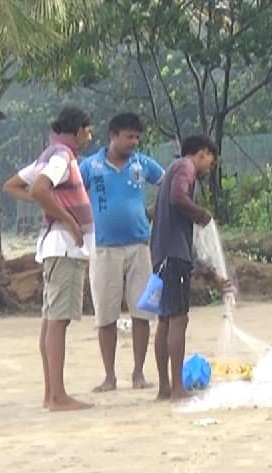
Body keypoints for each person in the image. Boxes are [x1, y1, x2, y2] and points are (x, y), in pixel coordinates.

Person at [3, 106, 96, 412]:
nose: (90, 136)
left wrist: (51, 205)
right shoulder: (62, 156)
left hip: (54, 246)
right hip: (64, 246)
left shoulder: (49, 153)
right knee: (58, 321)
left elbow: (14, 185)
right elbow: (41, 189)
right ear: (77, 130)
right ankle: (58, 395)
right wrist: (66, 218)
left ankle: (51, 393)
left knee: (50, 321)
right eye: (88, 130)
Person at [79, 112, 165, 393]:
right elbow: (72, 193)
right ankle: (109, 375)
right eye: (129, 136)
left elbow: (168, 184)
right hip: (104, 249)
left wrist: (152, 213)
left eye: (137, 137)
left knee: (143, 312)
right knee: (106, 314)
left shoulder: (142, 163)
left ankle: (139, 373)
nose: (134, 142)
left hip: (140, 247)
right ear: (112, 136)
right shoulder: (90, 166)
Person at [150, 135, 231, 402]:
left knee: (164, 319)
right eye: (211, 161)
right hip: (173, 256)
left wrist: (209, 273)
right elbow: (178, 198)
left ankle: (165, 387)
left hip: (161, 254)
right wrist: (201, 213)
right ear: (203, 153)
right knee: (178, 319)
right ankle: (176, 389)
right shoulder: (185, 167)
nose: (209, 167)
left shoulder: (171, 171)